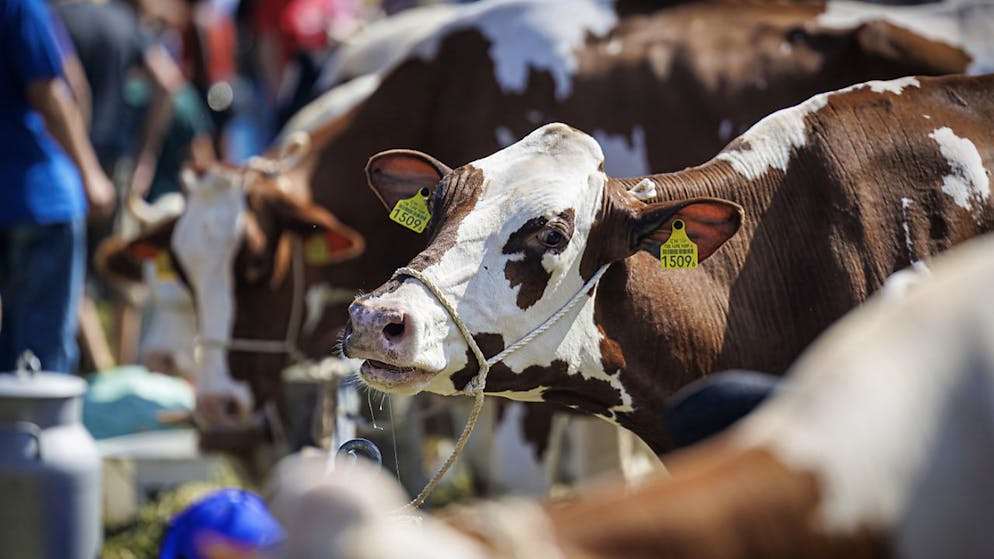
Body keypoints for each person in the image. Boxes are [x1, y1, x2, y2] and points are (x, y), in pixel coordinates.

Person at [0, 0, 115, 373]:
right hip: (37, 199)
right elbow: (51, 91)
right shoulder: (21, 6)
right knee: (40, 361)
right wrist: (90, 173)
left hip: (25, 198)